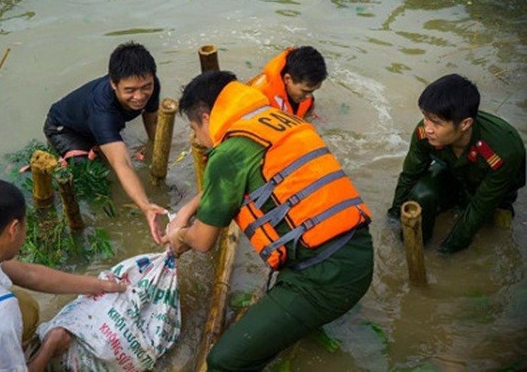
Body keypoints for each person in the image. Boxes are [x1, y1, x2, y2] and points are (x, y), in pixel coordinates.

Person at [162, 71, 374, 371]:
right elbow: (238, 175)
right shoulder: (278, 121)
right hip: (358, 253)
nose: (197, 139)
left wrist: (178, 237)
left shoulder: (227, 154)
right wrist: (186, 210)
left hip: (324, 280)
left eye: (195, 129)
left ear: (208, 118)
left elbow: (203, 241)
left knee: (223, 361)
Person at [0, 179, 126, 372]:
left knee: (24, 306)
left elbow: (28, 274)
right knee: (18, 311)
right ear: (14, 229)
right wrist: (50, 347)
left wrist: (101, 285)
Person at [388, 74, 526, 254]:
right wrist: (394, 217)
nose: (427, 128)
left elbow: (478, 208)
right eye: (425, 117)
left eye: (436, 123)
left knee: (493, 228)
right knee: (421, 194)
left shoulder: (502, 150)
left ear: (465, 124)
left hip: (493, 190)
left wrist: (446, 252)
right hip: (454, 174)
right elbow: (410, 175)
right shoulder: (426, 132)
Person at [43, 41, 166, 242]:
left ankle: (103, 141)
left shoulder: (149, 85)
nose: (139, 96)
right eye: (129, 90)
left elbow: (152, 119)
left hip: (93, 123)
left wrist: (158, 152)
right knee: (98, 180)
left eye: (146, 87)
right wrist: (145, 206)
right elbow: (122, 163)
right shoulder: (102, 112)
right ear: (113, 84)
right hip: (63, 130)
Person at [248, 46, 328, 118]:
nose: (309, 96)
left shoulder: (305, 93)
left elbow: (308, 115)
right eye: (305, 91)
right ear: (287, 79)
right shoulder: (258, 98)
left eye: (313, 91)